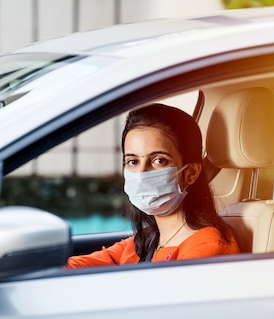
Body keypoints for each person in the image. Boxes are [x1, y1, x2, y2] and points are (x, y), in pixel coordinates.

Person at [66, 103, 239, 269]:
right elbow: (74, 267)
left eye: (158, 160)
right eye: (132, 161)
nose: (141, 174)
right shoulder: (149, 239)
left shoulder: (208, 246)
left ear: (191, 173)